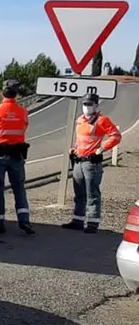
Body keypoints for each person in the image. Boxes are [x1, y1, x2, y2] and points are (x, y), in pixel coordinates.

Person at [61, 93, 122, 234]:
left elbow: (116, 136)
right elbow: (80, 140)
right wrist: (75, 149)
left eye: (90, 104)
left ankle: (93, 223)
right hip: (78, 161)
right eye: (85, 104)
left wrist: (101, 149)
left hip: (91, 162)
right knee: (79, 193)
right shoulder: (80, 120)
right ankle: (78, 220)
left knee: (92, 193)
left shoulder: (102, 120)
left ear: (96, 105)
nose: (87, 107)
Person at [0, 79, 35, 235]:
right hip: (16, 156)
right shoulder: (23, 112)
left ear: (2, 92)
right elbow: (24, 128)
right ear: (16, 94)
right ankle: (24, 220)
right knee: (19, 189)